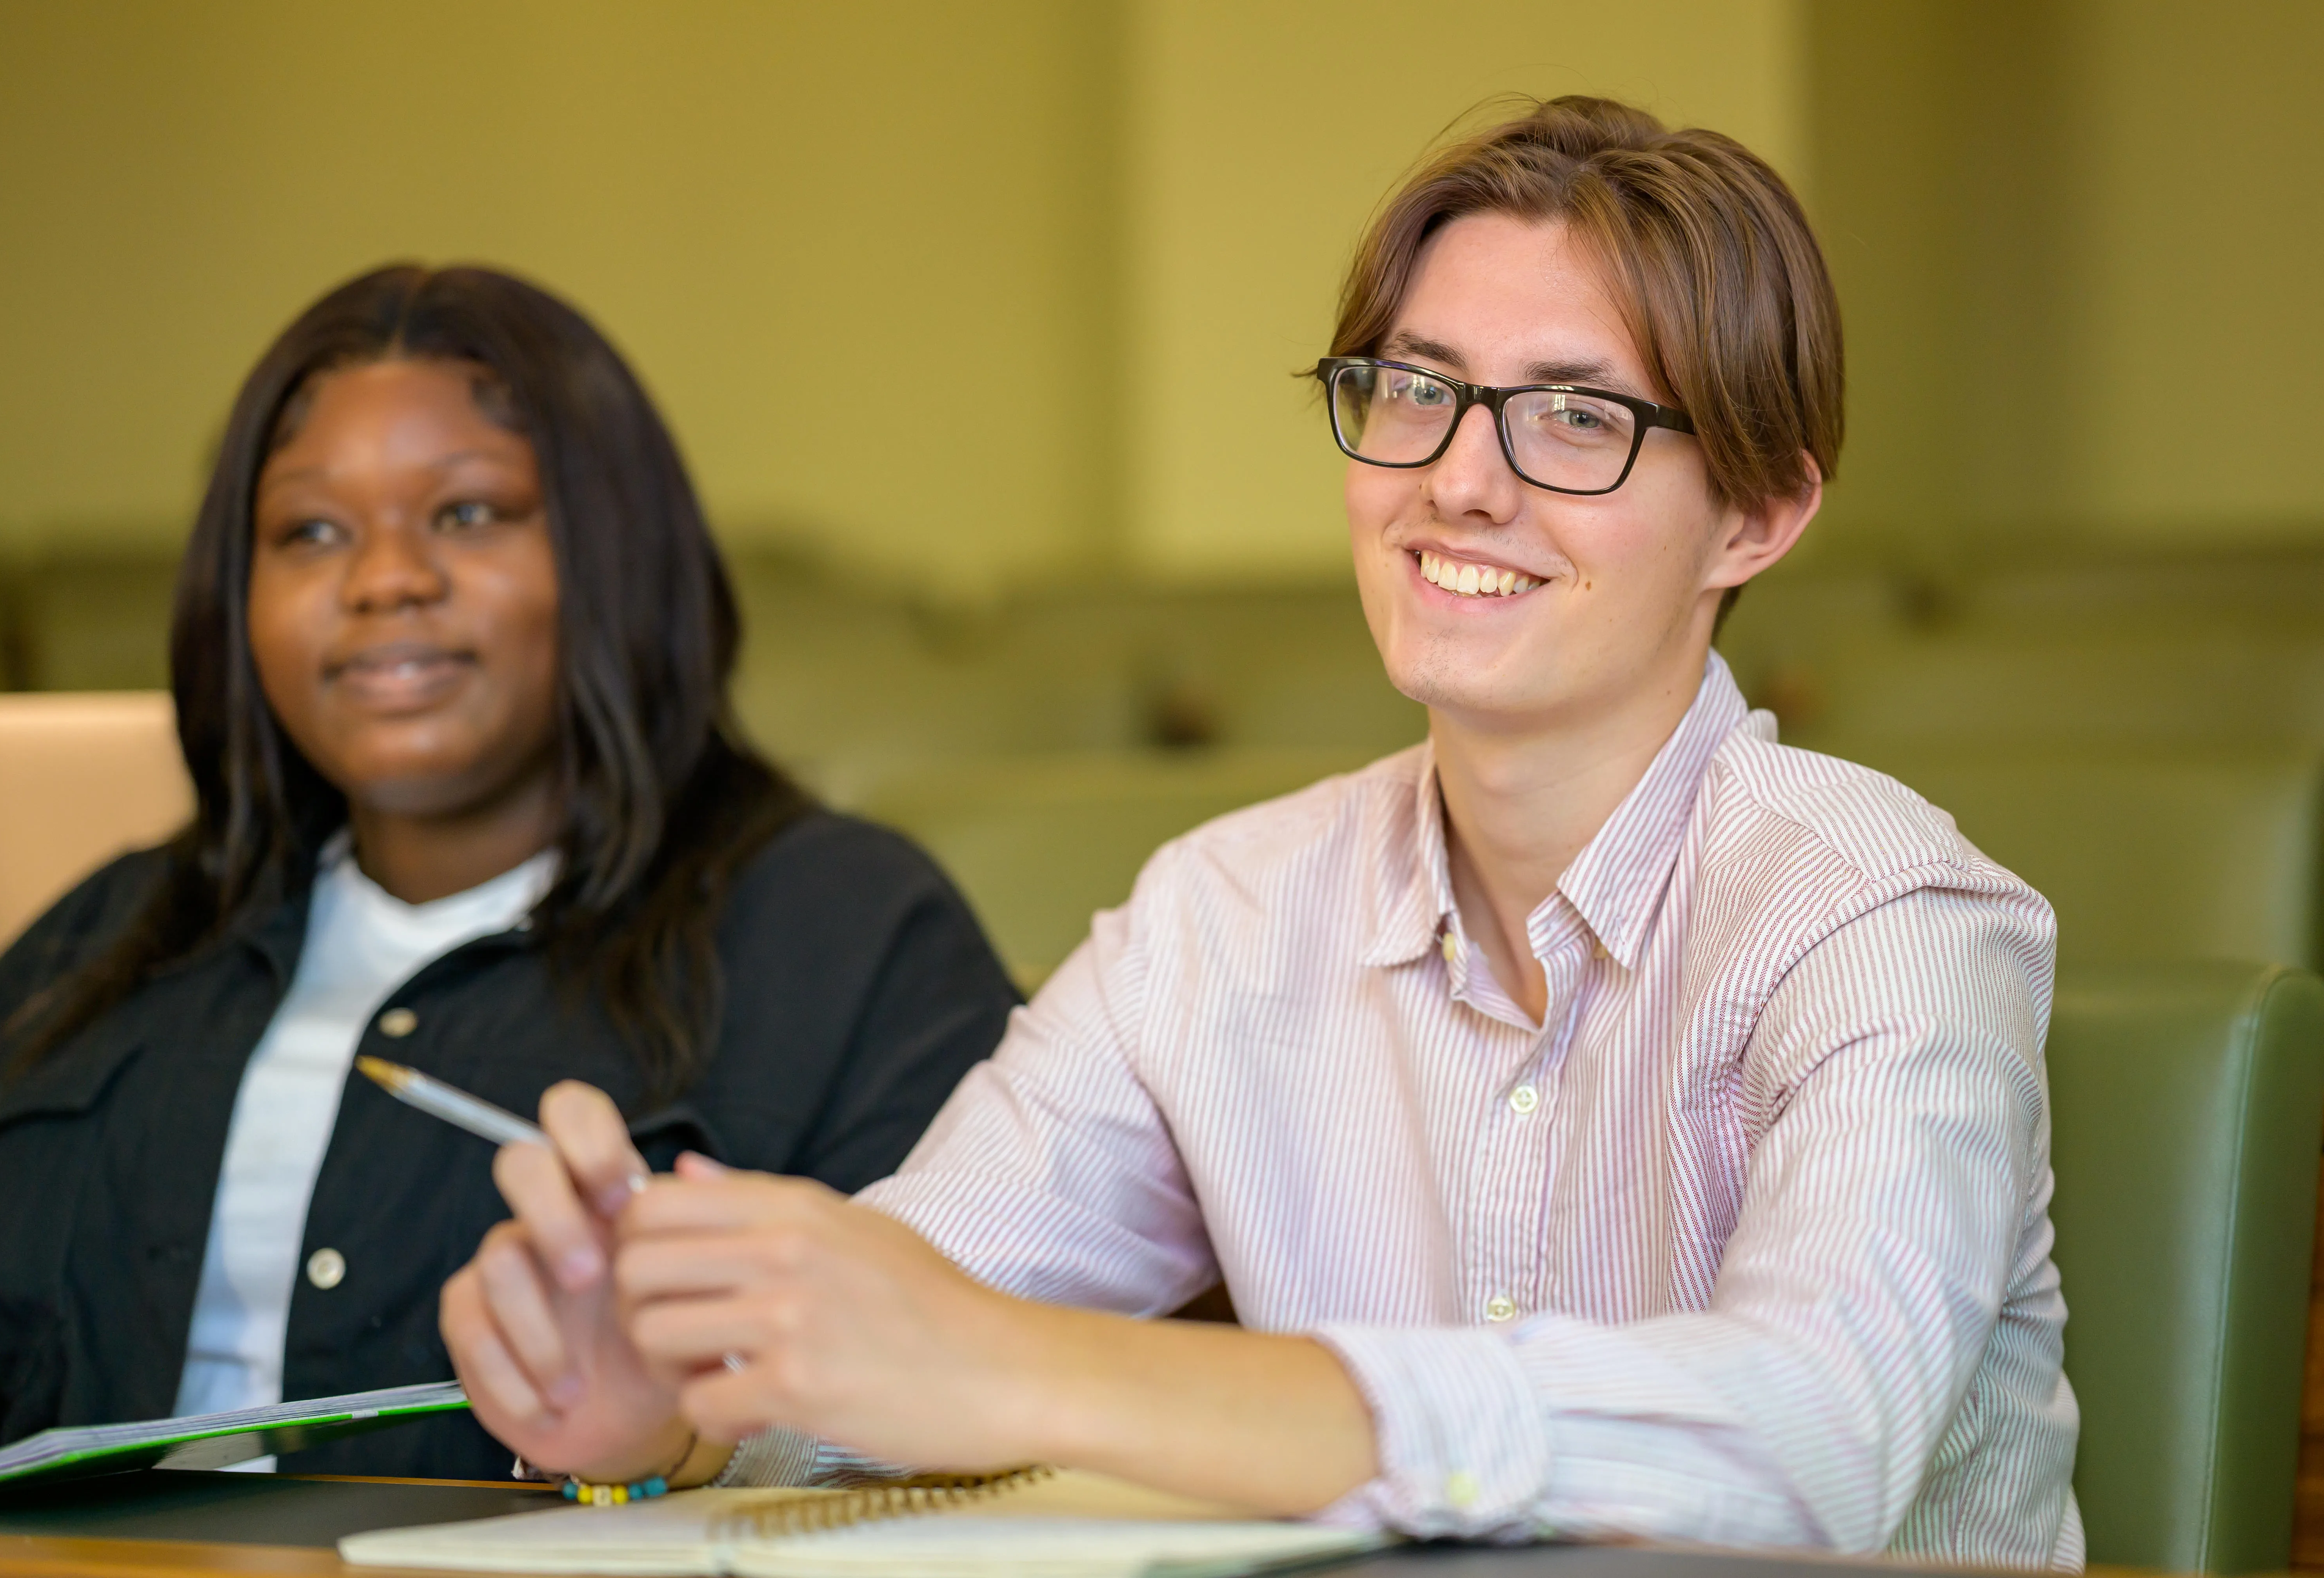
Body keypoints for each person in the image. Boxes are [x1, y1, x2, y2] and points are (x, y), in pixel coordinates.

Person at [442, 98, 2079, 1567]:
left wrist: (1037, 1370)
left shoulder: (1883, 910)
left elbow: (1815, 1441)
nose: (1459, 481)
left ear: (1758, 511)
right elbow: (897, 1344)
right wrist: (672, 1396)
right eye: (1418, 389)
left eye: (1575, 418)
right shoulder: (1222, 915)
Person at [0, 265, 1018, 1479]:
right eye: (310, 532)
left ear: (619, 555)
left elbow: (952, 1410)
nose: (383, 580)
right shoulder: (97, 941)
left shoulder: (845, 933)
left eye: (467, 513)